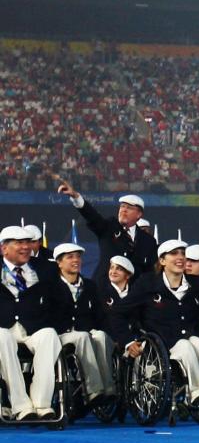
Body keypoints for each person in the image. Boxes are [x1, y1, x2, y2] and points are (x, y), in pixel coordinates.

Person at [126, 239, 199, 406]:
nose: (180, 257)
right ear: (162, 261)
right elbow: (123, 311)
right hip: (162, 340)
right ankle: (195, 392)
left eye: (183, 254)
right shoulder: (147, 282)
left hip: (191, 334)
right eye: (174, 254)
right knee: (185, 348)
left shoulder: (196, 283)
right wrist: (129, 340)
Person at [0, 225, 61, 421]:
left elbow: (58, 302)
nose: (25, 247)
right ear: (4, 248)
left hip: (33, 327)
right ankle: (21, 406)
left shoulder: (45, 268)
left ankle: (42, 405)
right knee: (1, 338)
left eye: (27, 242)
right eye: (19, 243)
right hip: (4, 327)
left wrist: (50, 323)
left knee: (49, 335)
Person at [50, 243, 116, 405]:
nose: (76, 260)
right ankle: (94, 390)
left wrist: (112, 336)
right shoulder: (51, 286)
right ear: (59, 263)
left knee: (100, 336)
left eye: (78, 257)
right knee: (82, 337)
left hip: (86, 332)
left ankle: (108, 389)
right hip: (61, 334)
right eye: (70, 257)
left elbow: (101, 315)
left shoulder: (90, 286)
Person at [56, 178, 157, 281]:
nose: (124, 210)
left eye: (129, 208)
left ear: (139, 214)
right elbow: (93, 217)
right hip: (104, 287)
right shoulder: (109, 227)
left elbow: (149, 271)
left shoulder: (148, 241)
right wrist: (76, 197)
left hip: (133, 291)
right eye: (122, 206)